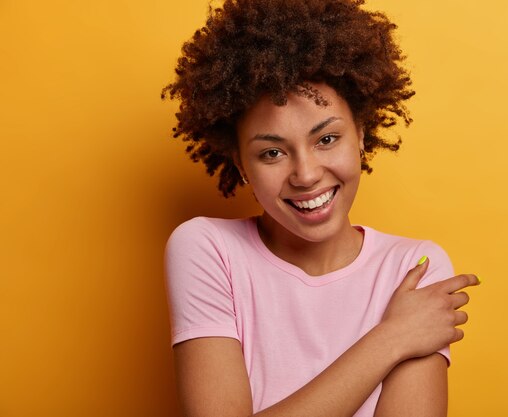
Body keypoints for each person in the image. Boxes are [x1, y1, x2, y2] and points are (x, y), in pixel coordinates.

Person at [161, 0, 480, 416]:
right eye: (272, 152)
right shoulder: (207, 249)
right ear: (241, 164)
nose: (306, 174)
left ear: (362, 135)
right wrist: (392, 337)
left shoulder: (414, 268)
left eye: (326, 139)